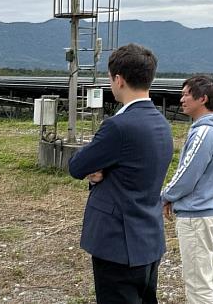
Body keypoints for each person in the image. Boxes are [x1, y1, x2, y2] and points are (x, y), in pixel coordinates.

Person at [68, 43, 174, 304]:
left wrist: (95, 170)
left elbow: (77, 165)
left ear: (118, 79)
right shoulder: (161, 123)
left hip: (118, 244)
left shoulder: (118, 126)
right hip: (148, 238)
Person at [161, 75, 213, 304]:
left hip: (196, 217)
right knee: (207, 278)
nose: (181, 99)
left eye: (186, 95)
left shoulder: (203, 133)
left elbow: (187, 175)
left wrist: (165, 196)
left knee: (197, 283)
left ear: (202, 98)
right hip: (208, 214)